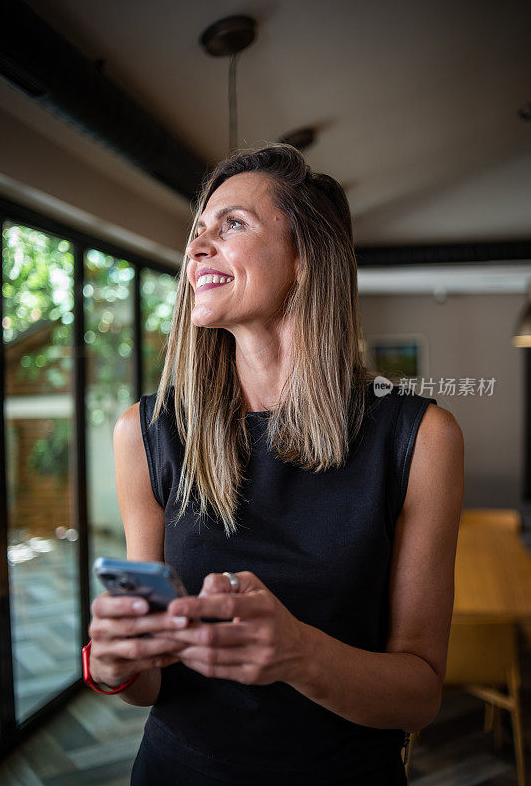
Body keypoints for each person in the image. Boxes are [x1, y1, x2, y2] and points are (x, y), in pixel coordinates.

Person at [86, 143, 464, 785]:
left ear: (306, 259)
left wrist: (299, 654)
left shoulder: (422, 437)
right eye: (198, 231)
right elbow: (150, 683)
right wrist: (118, 662)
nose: (197, 246)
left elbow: (420, 694)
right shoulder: (144, 433)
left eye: (232, 223)